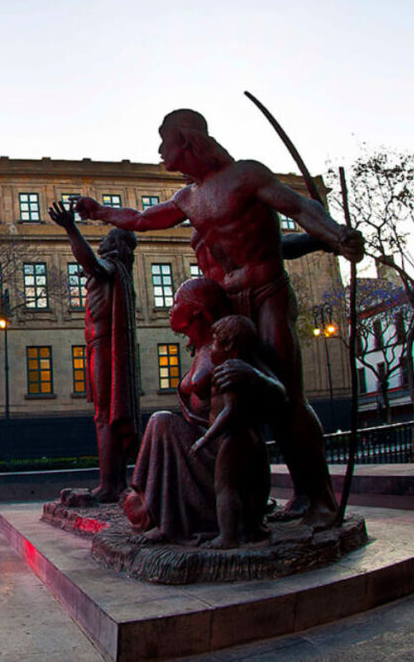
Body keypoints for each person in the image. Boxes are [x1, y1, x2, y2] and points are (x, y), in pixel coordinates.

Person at [75, 109, 363, 529]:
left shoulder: (246, 175)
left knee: (285, 395)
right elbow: (140, 220)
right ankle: (247, 502)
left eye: (164, 141)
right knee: (234, 401)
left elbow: (299, 206)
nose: (159, 151)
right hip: (228, 305)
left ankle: (316, 497)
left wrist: (336, 235)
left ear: (186, 141)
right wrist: (100, 212)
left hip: (267, 293)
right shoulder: (188, 199)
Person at [124, 278, 228, 544]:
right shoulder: (202, 351)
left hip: (217, 453)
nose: (170, 310)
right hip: (199, 447)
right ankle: (151, 502)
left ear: (195, 310)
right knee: (163, 422)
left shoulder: (223, 349)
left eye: (176, 303)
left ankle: (160, 514)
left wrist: (248, 375)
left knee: (162, 421)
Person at [49, 202, 140, 502]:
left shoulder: (110, 267)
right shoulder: (115, 273)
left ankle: (110, 486)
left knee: (104, 415)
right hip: (99, 345)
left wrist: (70, 227)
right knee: (106, 414)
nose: (101, 240)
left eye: (107, 237)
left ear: (116, 245)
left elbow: (92, 264)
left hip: (104, 346)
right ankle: (113, 483)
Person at [190, 315, 283, 548]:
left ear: (228, 345)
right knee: (252, 487)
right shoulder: (237, 368)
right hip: (248, 439)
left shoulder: (230, 371)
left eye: (213, 343)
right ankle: (251, 528)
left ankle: (228, 536)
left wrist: (205, 439)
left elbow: (229, 412)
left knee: (226, 488)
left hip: (233, 439)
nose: (210, 349)